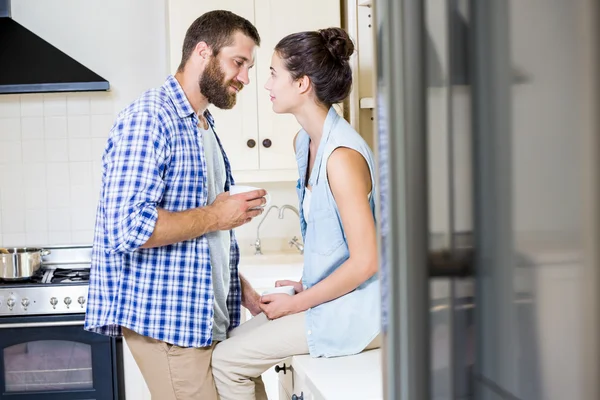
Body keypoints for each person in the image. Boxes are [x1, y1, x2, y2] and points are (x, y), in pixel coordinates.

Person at [84, 10, 267, 400]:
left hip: (205, 318)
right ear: (203, 51)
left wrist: (240, 288)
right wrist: (219, 215)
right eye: (238, 62)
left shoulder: (201, 123)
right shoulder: (150, 119)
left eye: (249, 67)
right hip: (171, 327)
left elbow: (202, 238)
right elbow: (128, 227)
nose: (245, 78)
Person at [211, 27, 381, 400]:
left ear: (302, 83)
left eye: (273, 73)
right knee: (228, 347)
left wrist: (297, 303)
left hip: (364, 312)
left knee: (226, 363)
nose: (265, 83)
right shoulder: (304, 142)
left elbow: (367, 260)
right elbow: (338, 245)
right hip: (337, 300)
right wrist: (308, 285)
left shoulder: (342, 157)